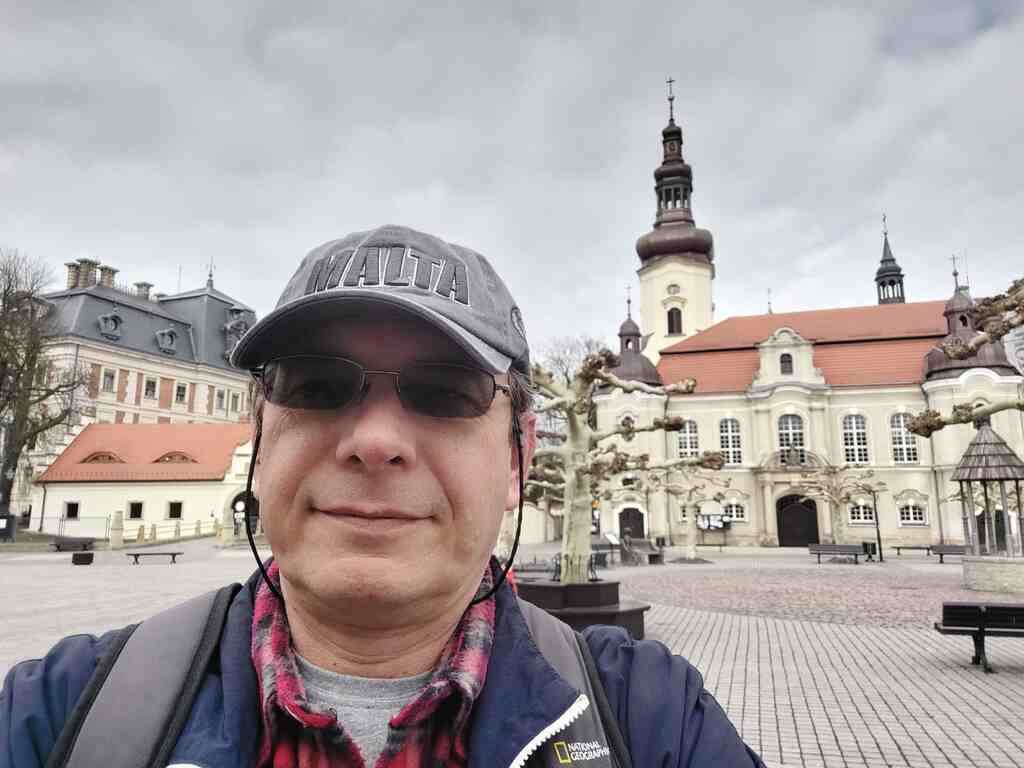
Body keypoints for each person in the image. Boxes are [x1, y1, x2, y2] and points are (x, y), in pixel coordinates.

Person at [1, 225, 763, 767]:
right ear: (259, 434)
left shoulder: (653, 722)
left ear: (517, 457)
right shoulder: (63, 711)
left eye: (446, 391)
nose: (374, 440)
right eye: (317, 385)